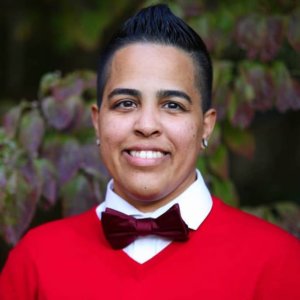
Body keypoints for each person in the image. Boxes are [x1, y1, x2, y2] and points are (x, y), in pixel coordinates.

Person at [0, 4, 299, 300]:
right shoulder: (36, 261)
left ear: (206, 127)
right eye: (125, 103)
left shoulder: (278, 264)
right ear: (97, 121)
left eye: (172, 105)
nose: (146, 125)